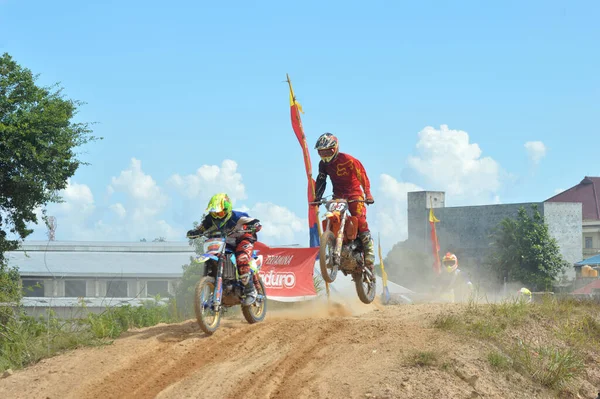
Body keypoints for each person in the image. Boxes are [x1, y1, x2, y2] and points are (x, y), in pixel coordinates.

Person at [313, 132, 375, 271]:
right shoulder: (323, 165)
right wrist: (317, 198)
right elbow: (321, 180)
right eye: (321, 152)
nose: (325, 155)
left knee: (359, 219)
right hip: (338, 196)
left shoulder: (348, 159)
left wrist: (368, 194)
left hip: (354, 194)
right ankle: (332, 244)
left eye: (328, 151)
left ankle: (369, 250)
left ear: (335, 148)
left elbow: (362, 176)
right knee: (332, 217)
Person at [186, 193, 262, 306]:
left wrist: (255, 225)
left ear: (227, 210)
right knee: (213, 257)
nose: (217, 216)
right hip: (225, 243)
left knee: (241, 258)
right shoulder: (209, 219)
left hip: (242, 239)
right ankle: (218, 284)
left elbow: (254, 221)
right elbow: (201, 228)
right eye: (214, 213)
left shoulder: (237, 217)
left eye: (220, 212)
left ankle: (250, 290)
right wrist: (195, 232)